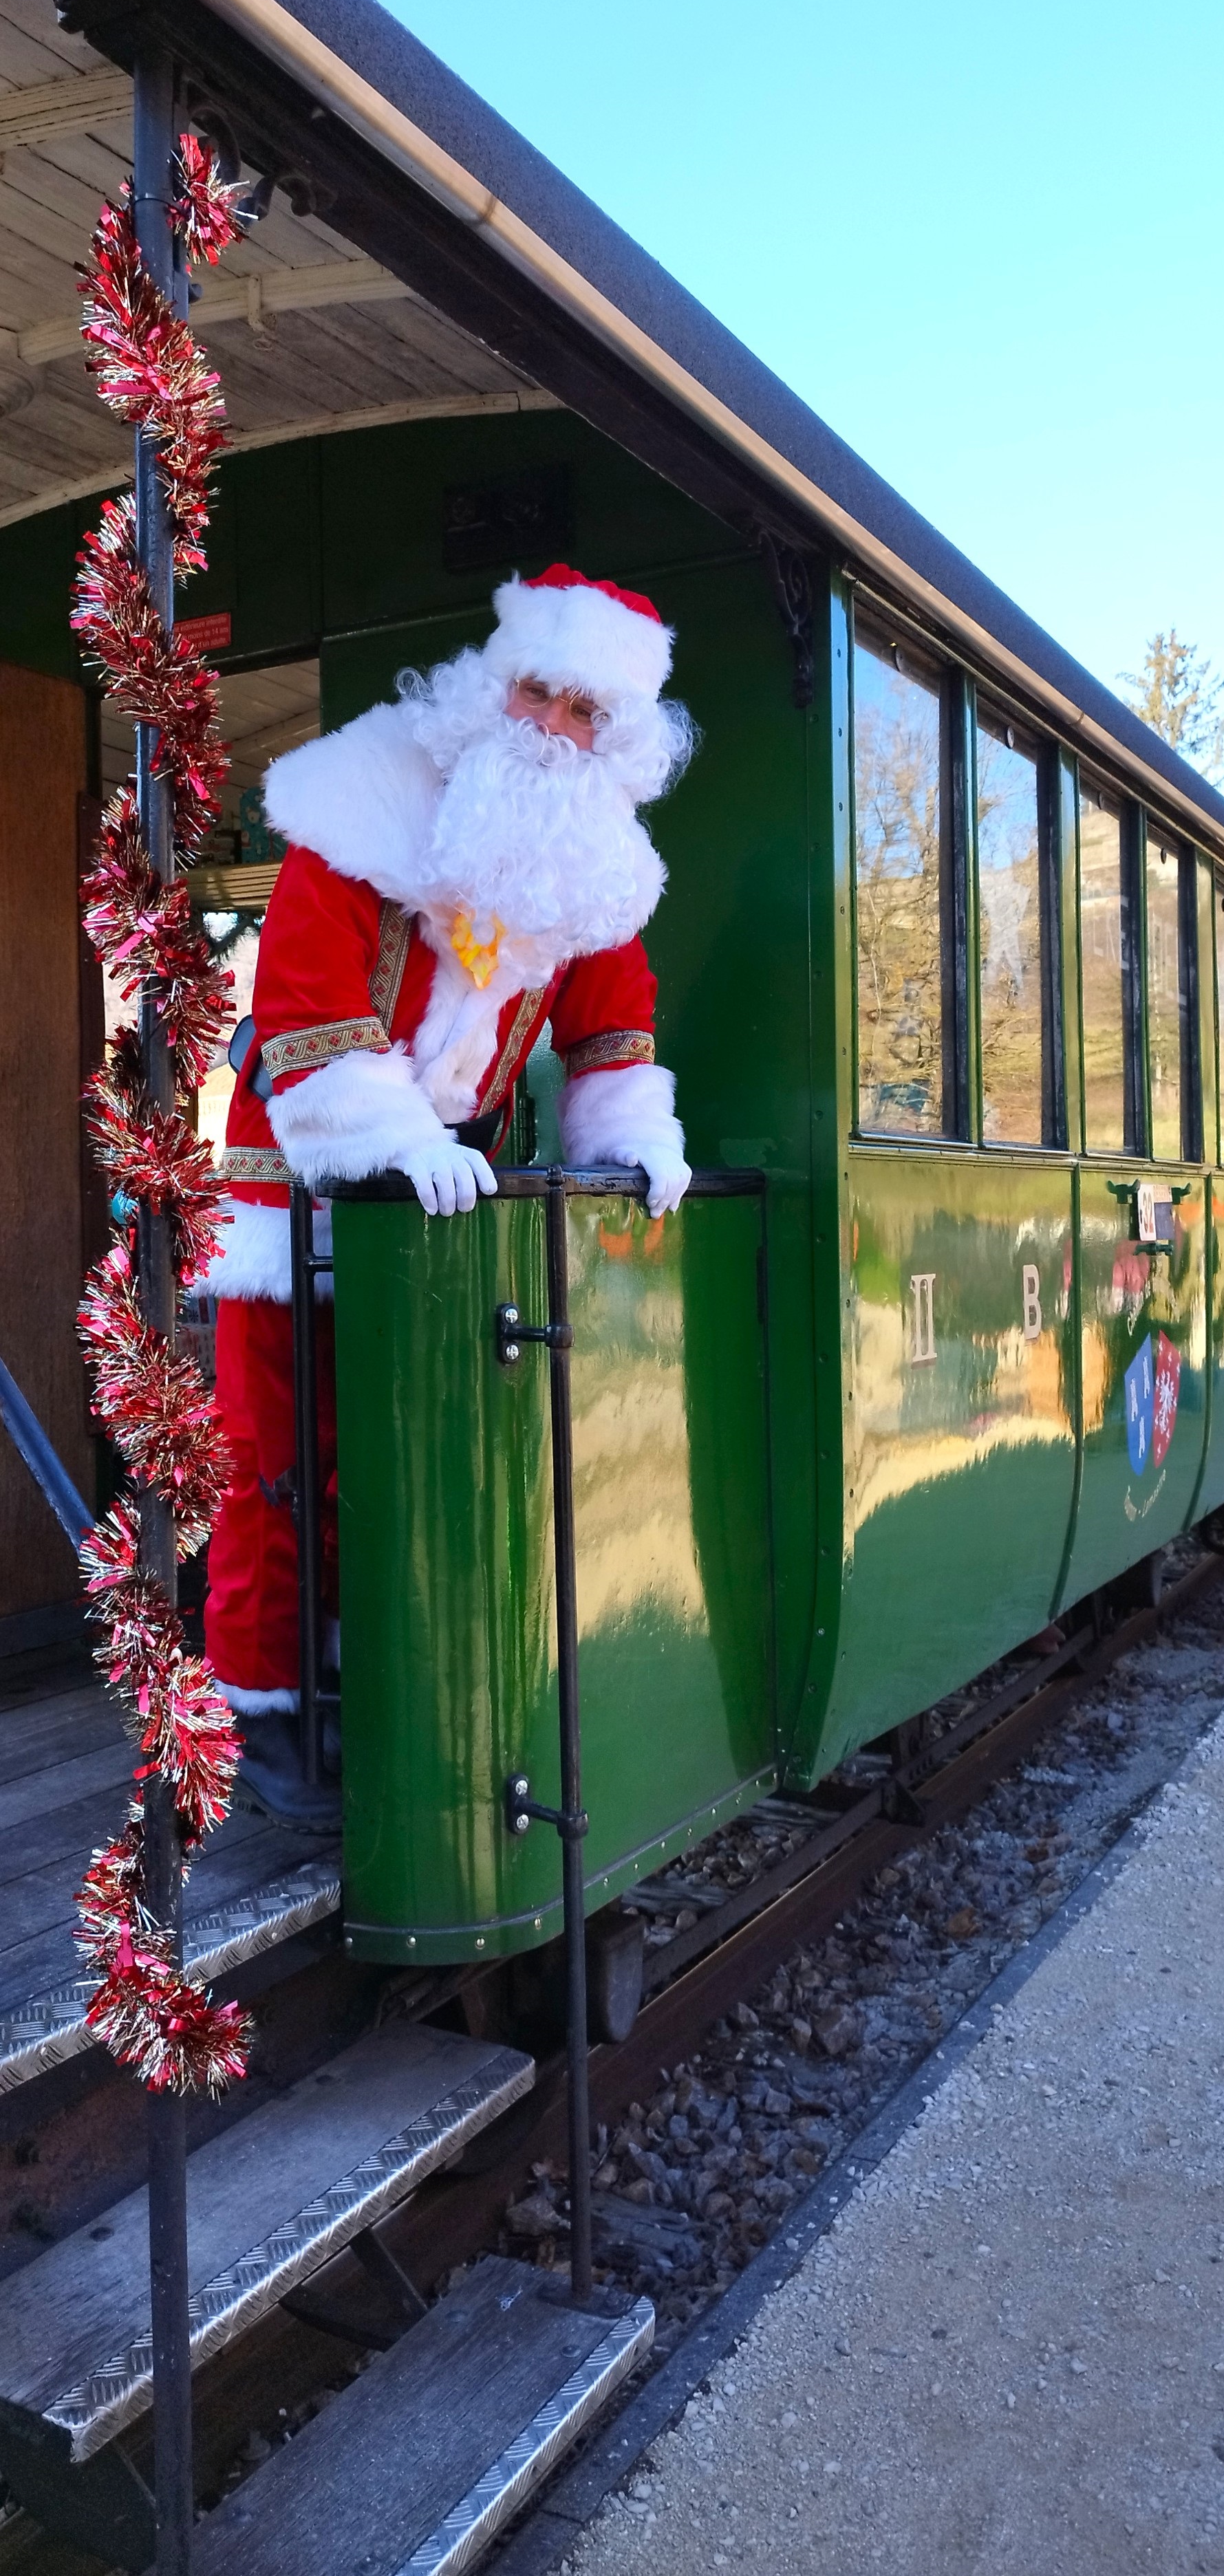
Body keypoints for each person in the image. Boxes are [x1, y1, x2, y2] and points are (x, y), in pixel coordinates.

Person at [202, 565, 695, 1823]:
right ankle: (253, 1716)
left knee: (400, 1452)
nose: (551, 728)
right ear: (494, 685)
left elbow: (613, 1030)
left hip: (444, 1207)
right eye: (537, 692)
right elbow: (305, 1008)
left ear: (614, 735)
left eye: (583, 712)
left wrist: (632, 1137)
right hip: (298, 1188)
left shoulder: (591, 861)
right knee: (275, 1456)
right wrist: (394, 1133)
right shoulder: (362, 800)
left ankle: (374, 1686)